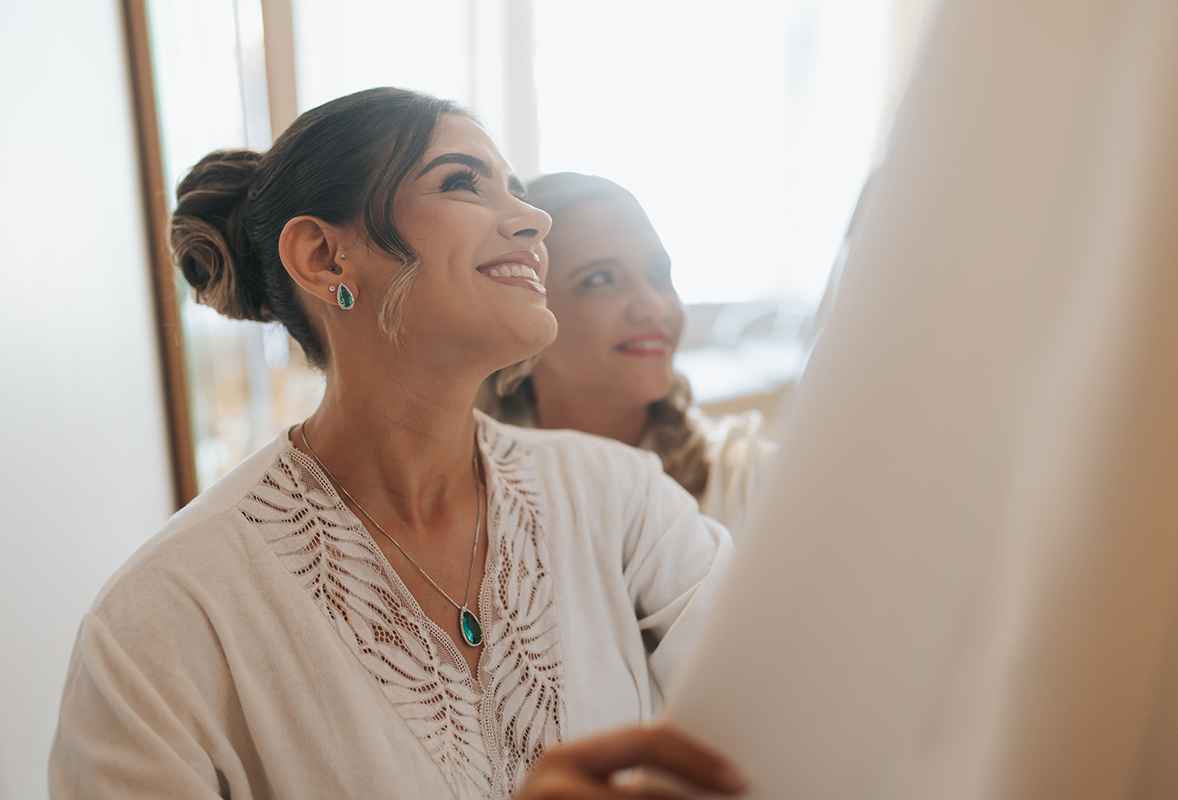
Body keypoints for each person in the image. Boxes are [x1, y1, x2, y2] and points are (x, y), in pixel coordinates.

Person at [49, 89, 744, 799]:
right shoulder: (165, 616)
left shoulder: (622, 500)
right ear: (323, 257)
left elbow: (782, 713)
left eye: (520, 191)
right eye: (461, 182)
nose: (534, 220)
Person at [477, 173, 775, 537]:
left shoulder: (749, 481)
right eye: (601, 279)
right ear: (526, 309)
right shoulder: (469, 490)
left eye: (659, 274)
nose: (653, 307)